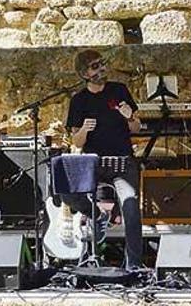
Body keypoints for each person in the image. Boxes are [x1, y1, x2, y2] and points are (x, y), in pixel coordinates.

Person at [65, 49, 143, 269]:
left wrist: (130, 117)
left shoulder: (119, 91)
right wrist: (84, 131)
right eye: (95, 66)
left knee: (130, 206)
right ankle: (97, 214)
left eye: (102, 63)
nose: (101, 68)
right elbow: (77, 142)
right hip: (93, 162)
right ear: (84, 74)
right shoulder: (79, 100)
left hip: (122, 161)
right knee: (66, 193)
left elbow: (137, 126)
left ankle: (134, 265)